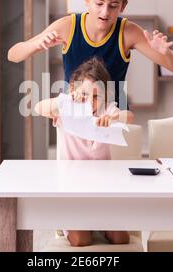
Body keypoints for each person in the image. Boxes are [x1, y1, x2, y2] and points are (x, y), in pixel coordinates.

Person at [8, 0, 173, 108]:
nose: (105, 12)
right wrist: (36, 44)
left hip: (113, 115)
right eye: (99, 3)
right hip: (74, 112)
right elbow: (13, 55)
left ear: (123, 6)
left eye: (113, 6)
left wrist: (166, 54)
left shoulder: (128, 32)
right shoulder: (68, 26)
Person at [34, 57, 134, 246]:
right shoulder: (66, 109)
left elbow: (129, 117)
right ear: (74, 90)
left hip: (103, 190)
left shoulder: (106, 110)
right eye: (86, 94)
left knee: (121, 238)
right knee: (81, 240)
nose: (91, 102)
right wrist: (64, 101)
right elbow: (39, 108)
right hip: (73, 190)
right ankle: (74, 225)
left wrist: (115, 117)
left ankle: (101, 224)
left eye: (97, 97)